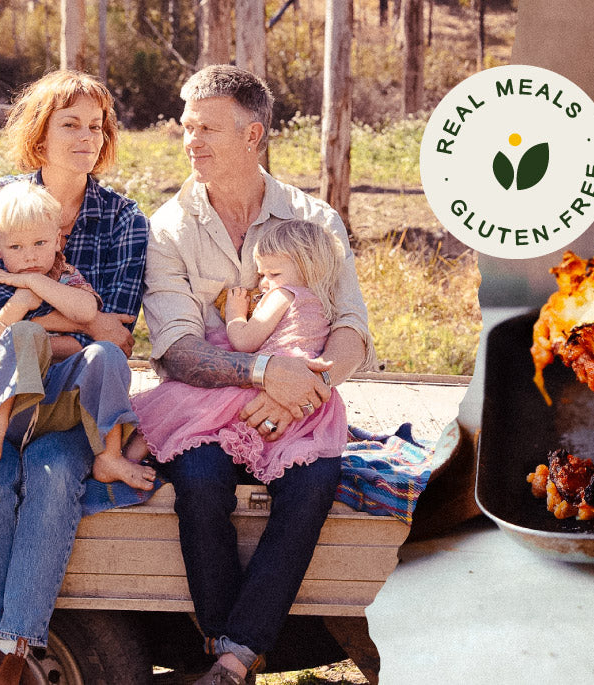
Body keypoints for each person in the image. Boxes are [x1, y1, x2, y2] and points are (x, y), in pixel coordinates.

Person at [142, 65, 374, 685]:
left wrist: (307, 392)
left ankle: (234, 658)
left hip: (302, 402)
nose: (191, 140)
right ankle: (228, 642)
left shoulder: (312, 219)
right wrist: (266, 370)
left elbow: (352, 326)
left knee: (315, 483)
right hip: (207, 403)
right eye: (187, 127)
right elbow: (177, 349)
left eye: (207, 129)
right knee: (200, 480)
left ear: (253, 136)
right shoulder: (167, 229)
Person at [0, 69, 152, 685]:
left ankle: (12, 651)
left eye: (96, 126)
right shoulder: (0, 202)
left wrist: (35, 320)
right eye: (70, 124)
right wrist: (67, 330)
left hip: (66, 402)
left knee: (57, 477)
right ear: (40, 131)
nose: (87, 137)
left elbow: (117, 333)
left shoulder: (122, 220)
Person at [126, 218, 350, 485]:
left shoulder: (283, 295)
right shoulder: (324, 304)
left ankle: (128, 459)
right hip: (303, 396)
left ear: (306, 267)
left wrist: (235, 314)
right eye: (261, 275)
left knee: (178, 399)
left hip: (270, 381)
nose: (264, 284)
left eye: (273, 274)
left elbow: (245, 341)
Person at [0, 181, 145, 487]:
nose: (29, 257)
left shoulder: (64, 276)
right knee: (25, 333)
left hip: (53, 405)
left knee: (105, 352)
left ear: (57, 241)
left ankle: (109, 455)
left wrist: (34, 284)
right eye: (16, 247)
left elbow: (85, 311)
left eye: (39, 243)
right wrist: (20, 302)